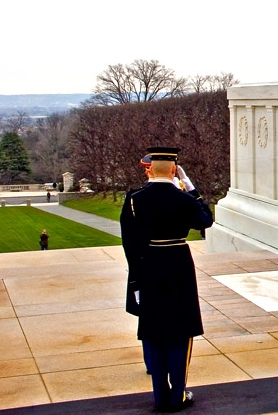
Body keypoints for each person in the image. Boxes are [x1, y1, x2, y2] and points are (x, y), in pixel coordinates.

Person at [120, 146, 213, 413]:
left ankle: (160, 396)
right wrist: (191, 189)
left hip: (148, 265)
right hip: (178, 265)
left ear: (150, 169)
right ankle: (178, 396)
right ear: (174, 169)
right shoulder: (183, 199)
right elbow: (205, 221)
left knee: (154, 332)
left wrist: (135, 282)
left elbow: (130, 245)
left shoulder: (134, 199)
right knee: (180, 332)